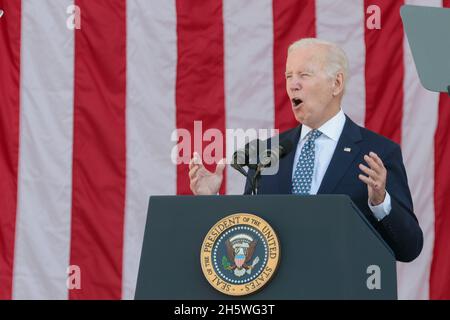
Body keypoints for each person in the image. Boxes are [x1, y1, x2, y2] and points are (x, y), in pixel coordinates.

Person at [188, 38, 423, 262]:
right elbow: (247, 232)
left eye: (304, 75)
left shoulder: (377, 152)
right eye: (289, 75)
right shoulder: (267, 153)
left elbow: (409, 247)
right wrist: (211, 202)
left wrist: (381, 202)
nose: (293, 84)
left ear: (336, 83)